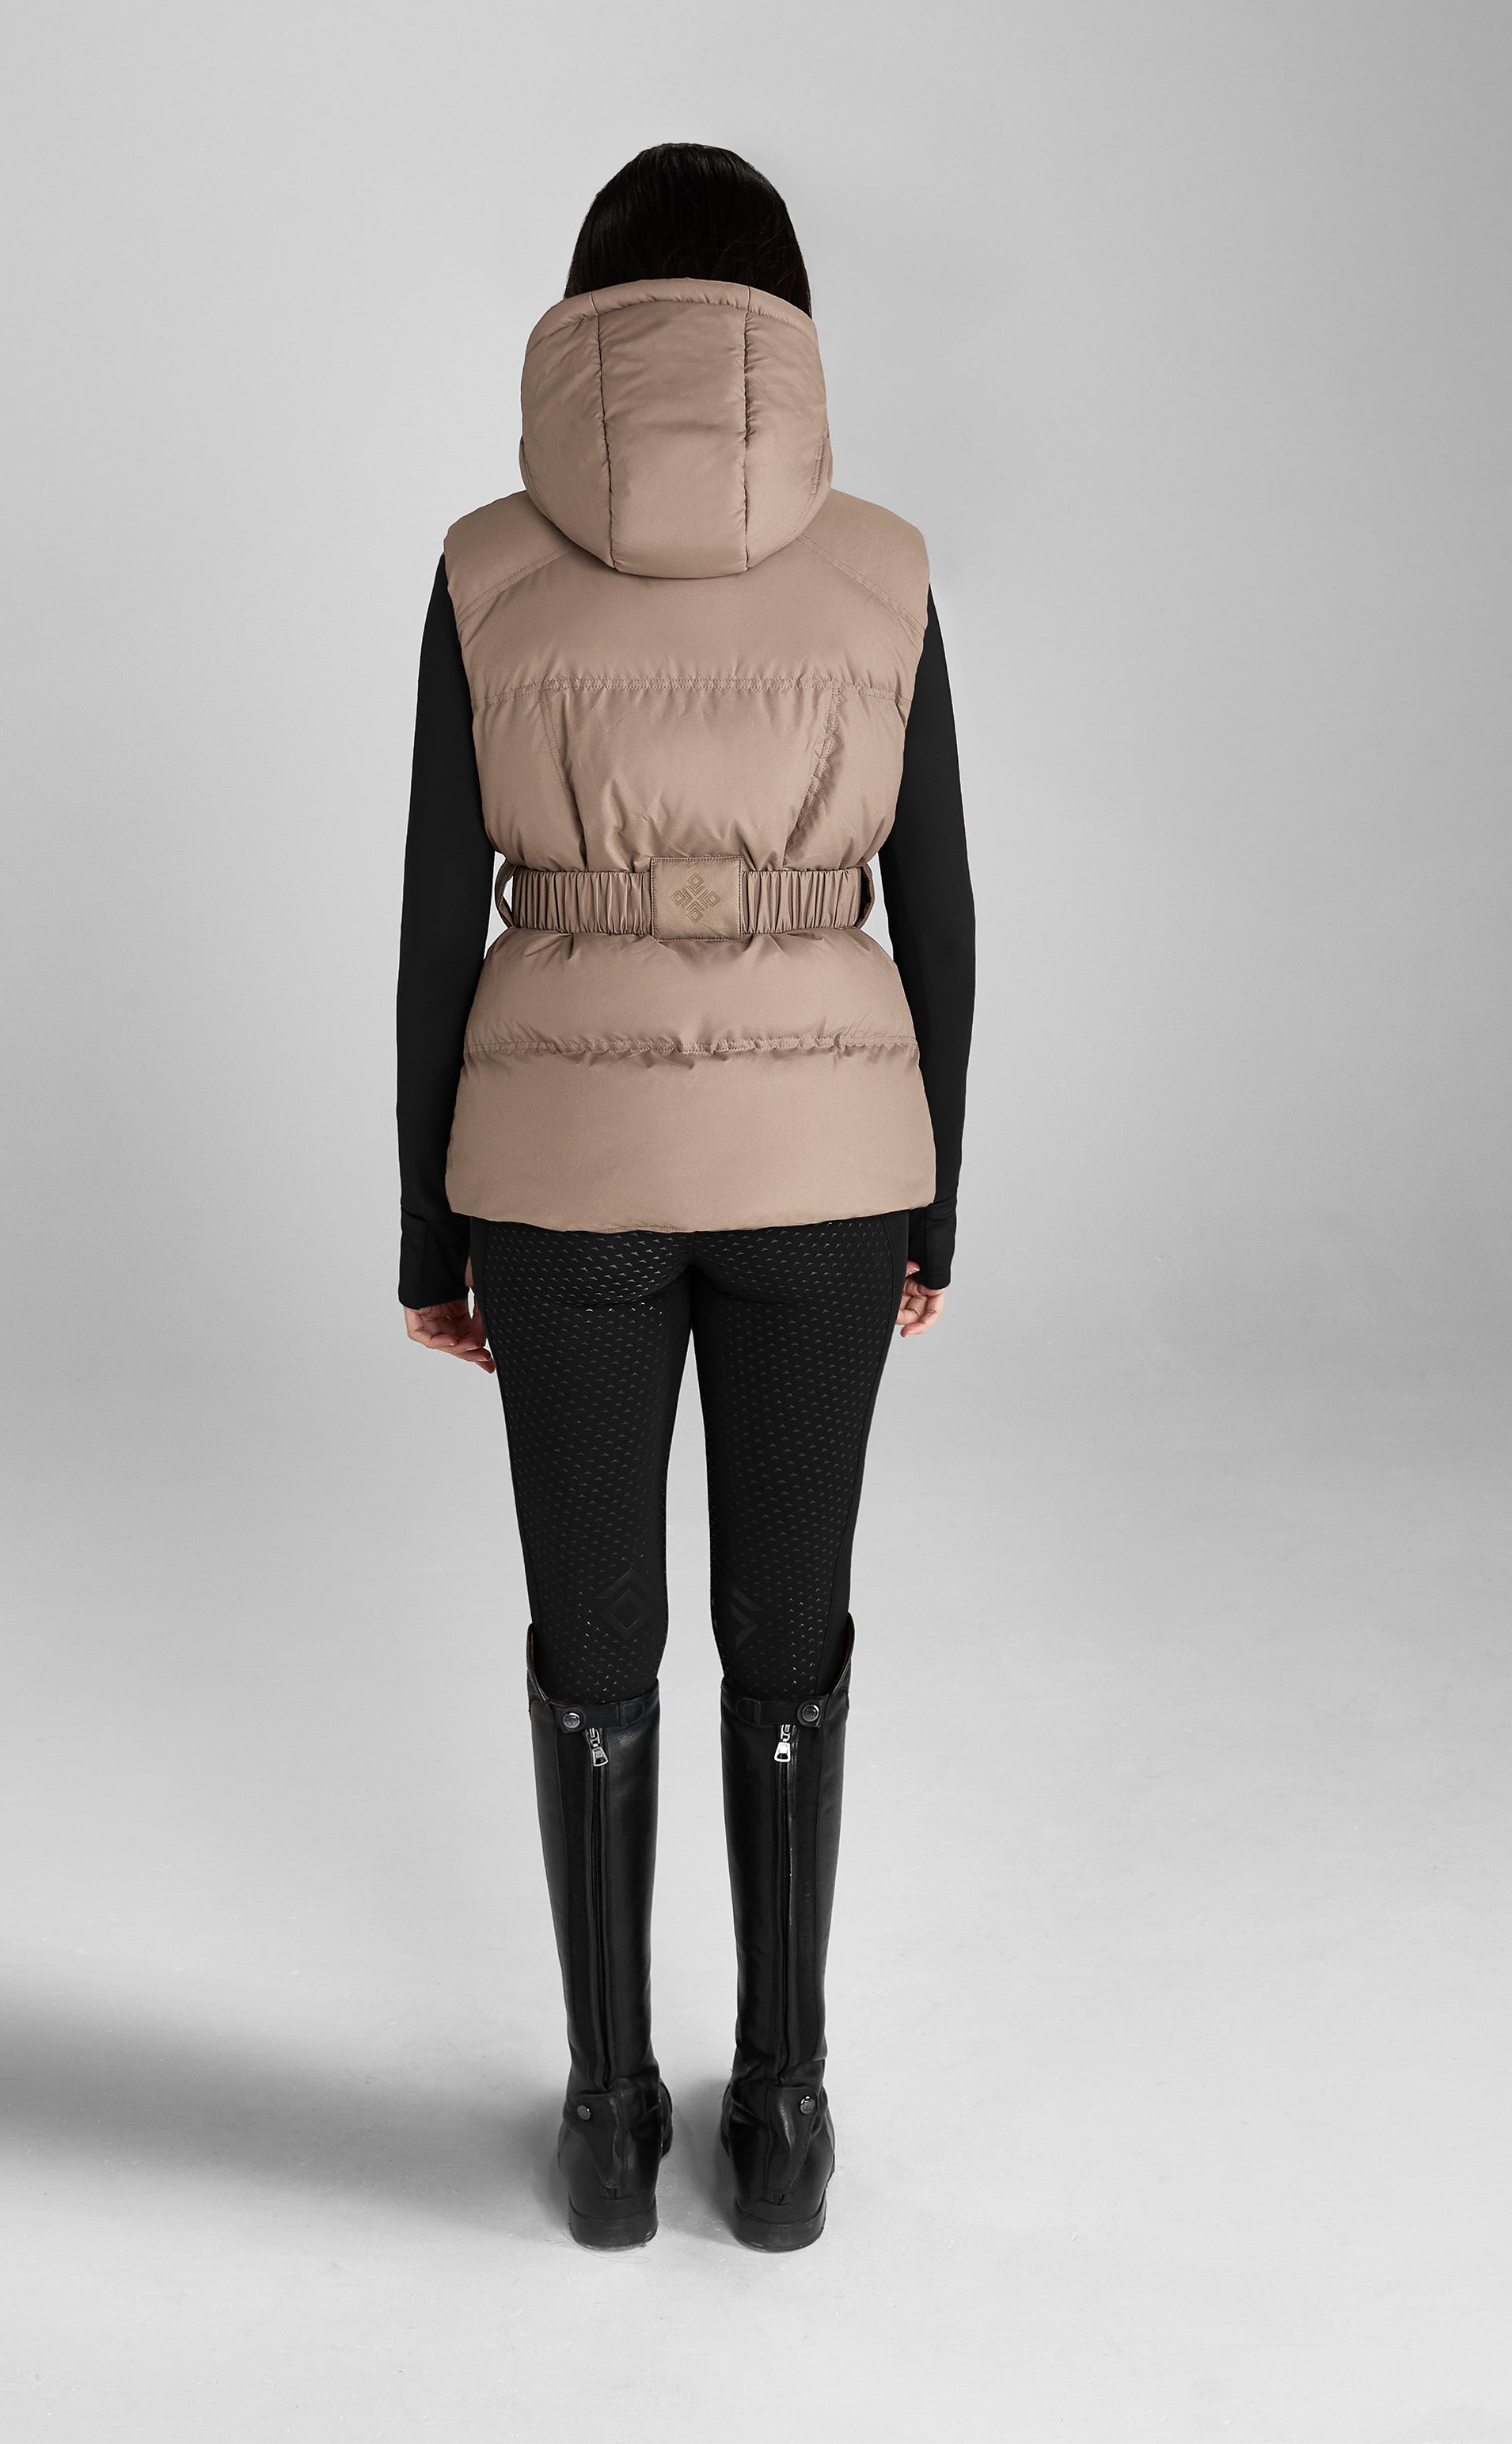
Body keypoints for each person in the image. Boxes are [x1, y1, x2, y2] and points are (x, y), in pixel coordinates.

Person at [396, 143, 974, 2252]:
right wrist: (933, 1205)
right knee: (786, 1634)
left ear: (585, 328)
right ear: (783, 336)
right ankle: (788, 2120)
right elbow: (941, 907)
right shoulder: (887, 570)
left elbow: (430, 925)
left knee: (597, 1638)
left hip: (561, 1185)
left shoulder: (483, 572)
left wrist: (429, 1231)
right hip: (828, 1180)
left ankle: (609, 2123)